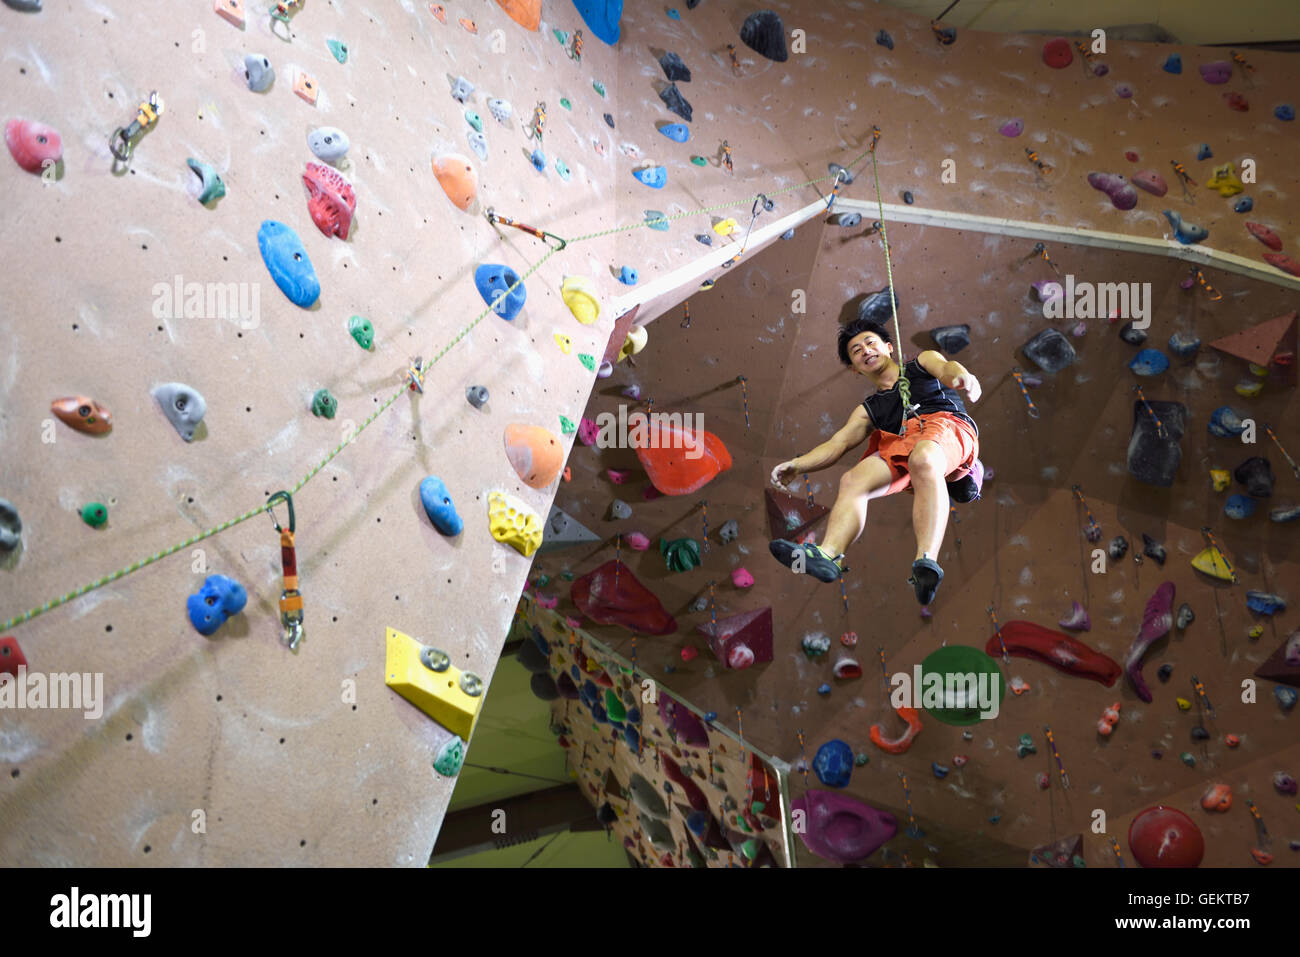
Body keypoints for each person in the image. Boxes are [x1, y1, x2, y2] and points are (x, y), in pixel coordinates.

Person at [768, 316, 984, 605]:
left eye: (870, 343)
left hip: (947, 427)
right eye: (856, 351)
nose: (865, 350)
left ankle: (927, 561)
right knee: (853, 479)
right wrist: (798, 464)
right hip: (907, 444)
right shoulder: (869, 409)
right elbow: (838, 443)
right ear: (855, 369)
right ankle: (828, 555)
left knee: (923, 456)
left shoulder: (921, 363)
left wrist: (962, 377)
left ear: (889, 347)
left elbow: (946, 368)